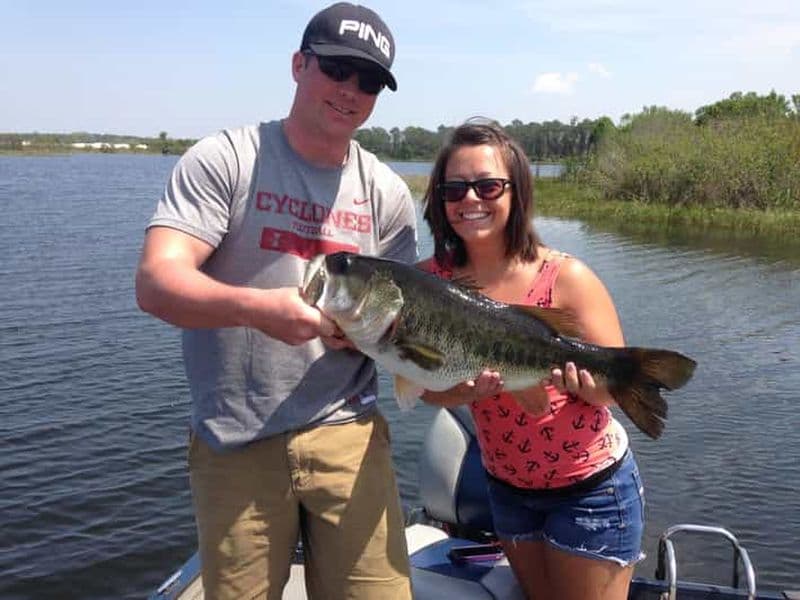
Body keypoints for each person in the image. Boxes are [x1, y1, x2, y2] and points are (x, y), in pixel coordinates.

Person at [134, 4, 416, 599]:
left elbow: (404, 320)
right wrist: (260, 309)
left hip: (350, 432)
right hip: (237, 441)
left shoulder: (387, 193)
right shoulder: (227, 160)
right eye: (338, 69)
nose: (351, 91)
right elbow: (156, 283)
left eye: (369, 82)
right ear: (298, 65)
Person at [418, 120, 644, 600]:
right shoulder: (430, 284)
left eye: (488, 185)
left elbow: (615, 391)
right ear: (439, 198)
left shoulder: (567, 277)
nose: (470, 199)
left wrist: (581, 382)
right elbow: (426, 386)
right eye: (454, 188)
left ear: (515, 192)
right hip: (507, 490)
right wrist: (464, 390)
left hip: (589, 490)